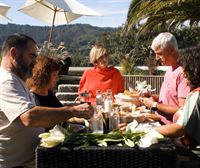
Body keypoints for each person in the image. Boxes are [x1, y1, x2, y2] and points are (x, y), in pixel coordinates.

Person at [0, 33, 94, 168]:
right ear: (13, 54)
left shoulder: (18, 80)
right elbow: (29, 117)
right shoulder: (6, 81)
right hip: (19, 164)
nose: (35, 62)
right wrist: (73, 110)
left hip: (36, 157)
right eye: (32, 56)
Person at [140, 32, 190, 124]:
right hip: (160, 123)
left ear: (172, 50)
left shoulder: (183, 74)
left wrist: (154, 105)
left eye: (159, 53)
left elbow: (183, 110)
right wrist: (152, 97)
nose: (156, 58)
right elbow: (168, 99)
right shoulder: (169, 70)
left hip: (172, 132)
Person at [156, 46, 200, 146]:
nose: (183, 73)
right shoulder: (194, 94)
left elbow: (180, 128)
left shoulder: (197, 96)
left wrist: (148, 131)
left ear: (193, 70)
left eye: (185, 69)